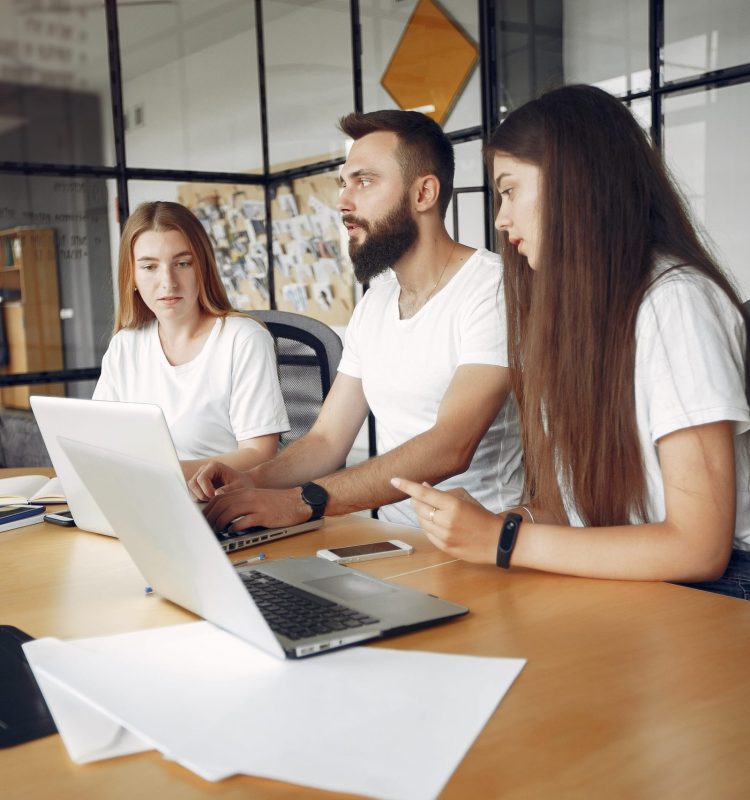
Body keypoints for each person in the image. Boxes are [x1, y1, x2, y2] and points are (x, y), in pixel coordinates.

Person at [393, 84, 750, 600]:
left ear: (575, 184)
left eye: (510, 190)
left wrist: (504, 540)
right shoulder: (576, 315)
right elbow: (573, 507)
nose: (501, 218)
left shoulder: (675, 302)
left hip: (717, 592)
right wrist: (504, 520)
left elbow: (698, 546)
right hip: (630, 581)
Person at [190, 109, 523, 530]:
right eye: (344, 184)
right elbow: (327, 440)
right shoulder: (376, 302)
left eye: (364, 182)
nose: (343, 202)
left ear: (424, 194)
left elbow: (450, 446)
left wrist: (303, 501)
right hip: (391, 540)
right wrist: (248, 482)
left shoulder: (491, 290)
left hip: (479, 545)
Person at [93, 201, 289, 480]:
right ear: (132, 276)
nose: (168, 282)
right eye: (149, 267)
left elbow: (260, 453)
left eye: (182, 263)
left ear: (203, 268)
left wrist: (167, 474)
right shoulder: (125, 346)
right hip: (142, 498)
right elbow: (99, 441)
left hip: (221, 504)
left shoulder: (243, 339)